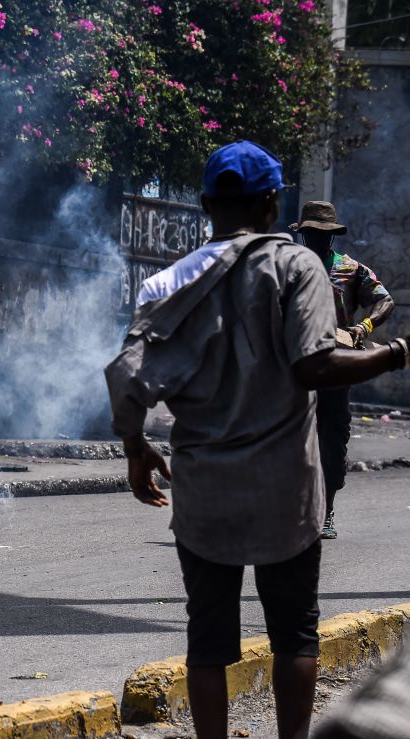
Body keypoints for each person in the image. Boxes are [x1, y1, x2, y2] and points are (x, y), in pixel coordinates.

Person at [106, 140, 410, 739]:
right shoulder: (299, 269)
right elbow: (314, 367)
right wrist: (394, 354)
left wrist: (135, 446)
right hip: (285, 488)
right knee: (294, 631)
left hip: (204, 487)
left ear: (204, 205)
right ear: (273, 205)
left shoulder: (167, 282)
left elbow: (128, 376)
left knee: (209, 637)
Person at [291, 200, 394, 540]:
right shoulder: (287, 267)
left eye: (320, 235)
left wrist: (363, 328)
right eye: (309, 234)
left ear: (331, 237)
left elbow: (385, 301)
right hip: (292, 367)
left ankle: (326, 509)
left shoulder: (350, 269)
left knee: (332, 439)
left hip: (337, 366)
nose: (314, 240)